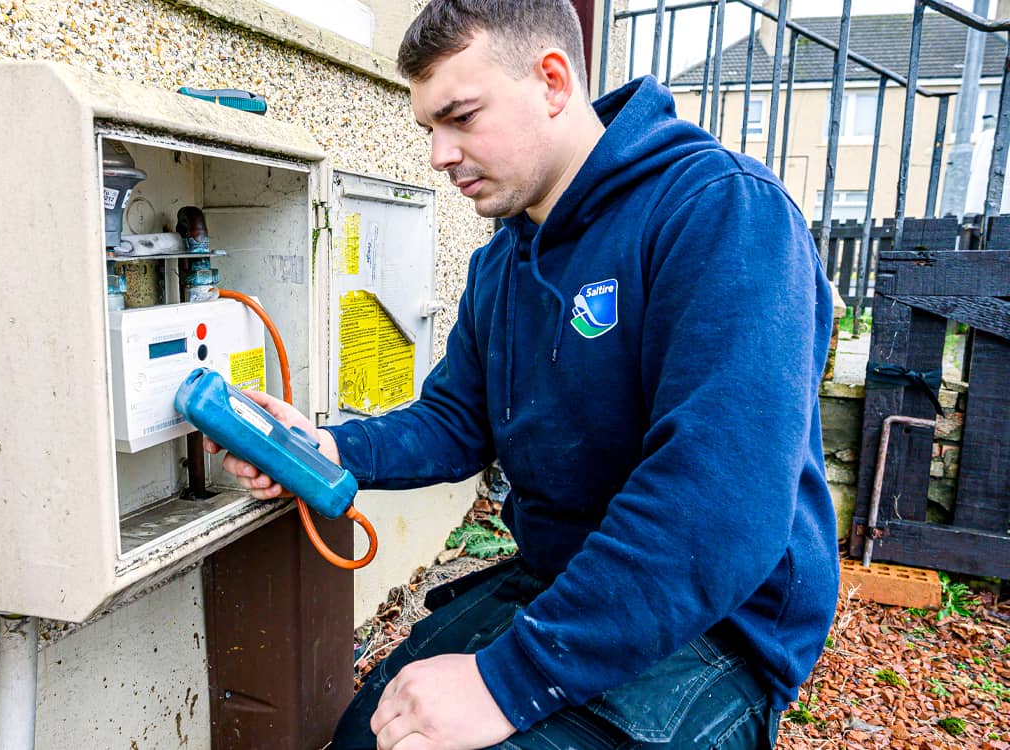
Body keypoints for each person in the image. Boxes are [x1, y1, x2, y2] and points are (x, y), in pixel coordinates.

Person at [206, 1, 839, 747]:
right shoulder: (503, 261)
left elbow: (718, 504)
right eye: (429, 129)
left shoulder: (719, 212)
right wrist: (330, 449)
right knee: (366, 733)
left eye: (461, 116)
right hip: (562, 579)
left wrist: (507, 681)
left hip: (713, 623)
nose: (439, 154)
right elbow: (454, 422)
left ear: (551, 81)